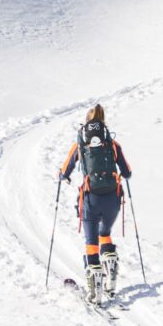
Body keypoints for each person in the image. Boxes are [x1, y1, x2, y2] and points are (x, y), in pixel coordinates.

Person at [59, 102, 132, 300]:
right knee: (105, 233)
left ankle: (95, 288)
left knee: (91, 242)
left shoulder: (80, 144)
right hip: (114, 198)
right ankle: (110, 268)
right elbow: (127, 172)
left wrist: (62, 176)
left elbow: (65, 169)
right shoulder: (113, 145)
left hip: (91, 199)